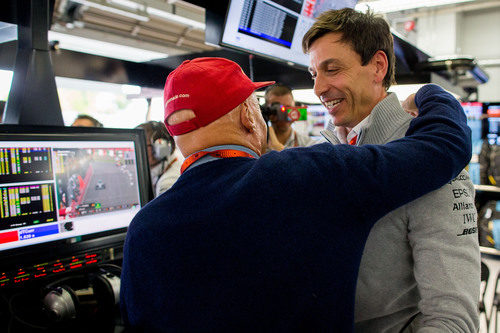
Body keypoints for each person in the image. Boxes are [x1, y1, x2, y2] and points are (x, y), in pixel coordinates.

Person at [120, 57, 471, 332]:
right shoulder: (306, 175)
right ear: (248, 116)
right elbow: (443, 147)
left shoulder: (143, 231)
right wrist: (431, 95)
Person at [302, 8, 479, 332]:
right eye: (314, 73)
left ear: (378, 66)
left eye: (332, 69)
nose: (318, 88)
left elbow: (452, 320)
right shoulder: (317, 154)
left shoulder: (432, 162)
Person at [264, 84, 317, 150]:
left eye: (288, 108)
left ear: (295, 107)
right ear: (266, 110)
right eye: (276, 108)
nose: (283, 113)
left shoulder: (308, 145)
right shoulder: (258, 145)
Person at [136, 121, 182, 196]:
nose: (136, 150)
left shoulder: (167, 183)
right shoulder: (175, 159)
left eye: (141, 144)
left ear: (160, 148)